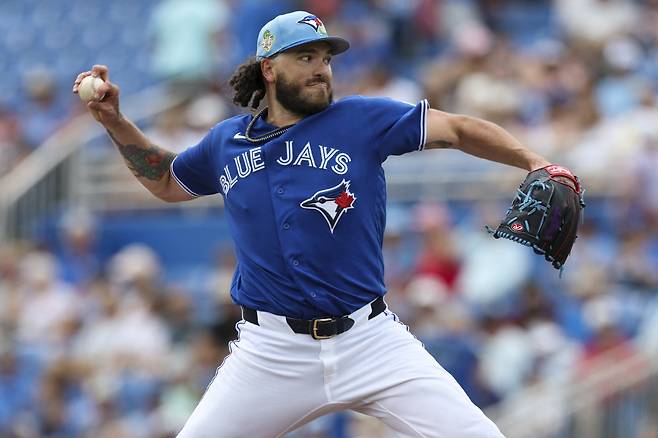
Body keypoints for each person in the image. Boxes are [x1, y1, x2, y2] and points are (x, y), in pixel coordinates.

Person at [72, 10, 554, 438]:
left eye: (325, 57)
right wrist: (115, 121)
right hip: (271, 353)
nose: (321, 68)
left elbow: (458, 129)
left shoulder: (361, 119)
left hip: (371, 341)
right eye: (304, 57)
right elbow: (166, 181)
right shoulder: (226, 142)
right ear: (269, 68)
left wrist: (534, 160)